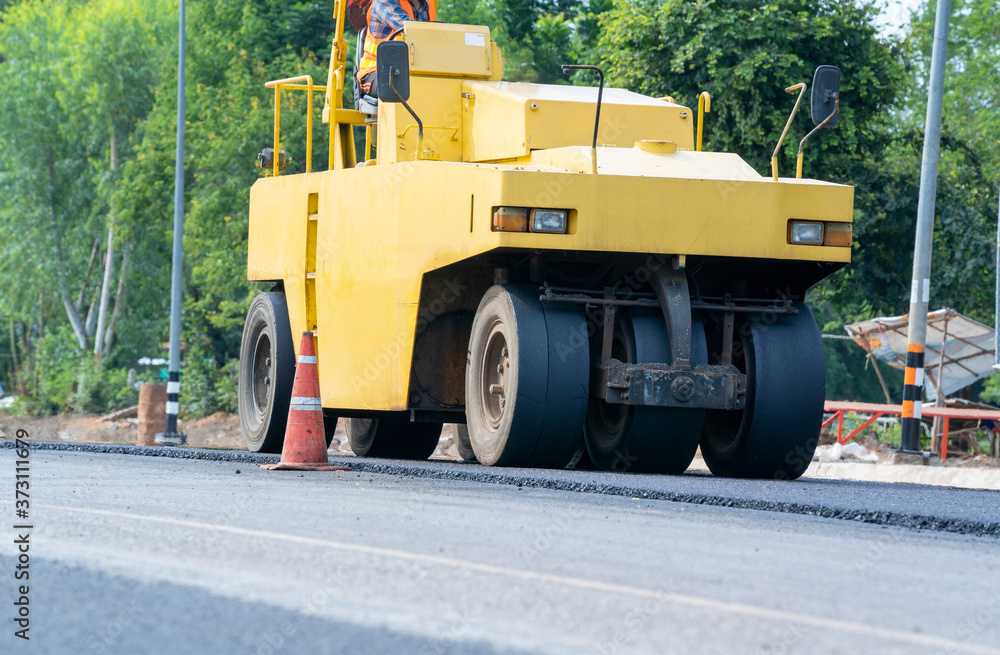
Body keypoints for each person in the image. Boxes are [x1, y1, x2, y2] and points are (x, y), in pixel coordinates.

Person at [356, 0, 437, 97]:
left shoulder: (428, 3)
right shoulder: (384, 2)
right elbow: (410, 28)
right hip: (376, 71)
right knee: (397, 85)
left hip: (413, 71)